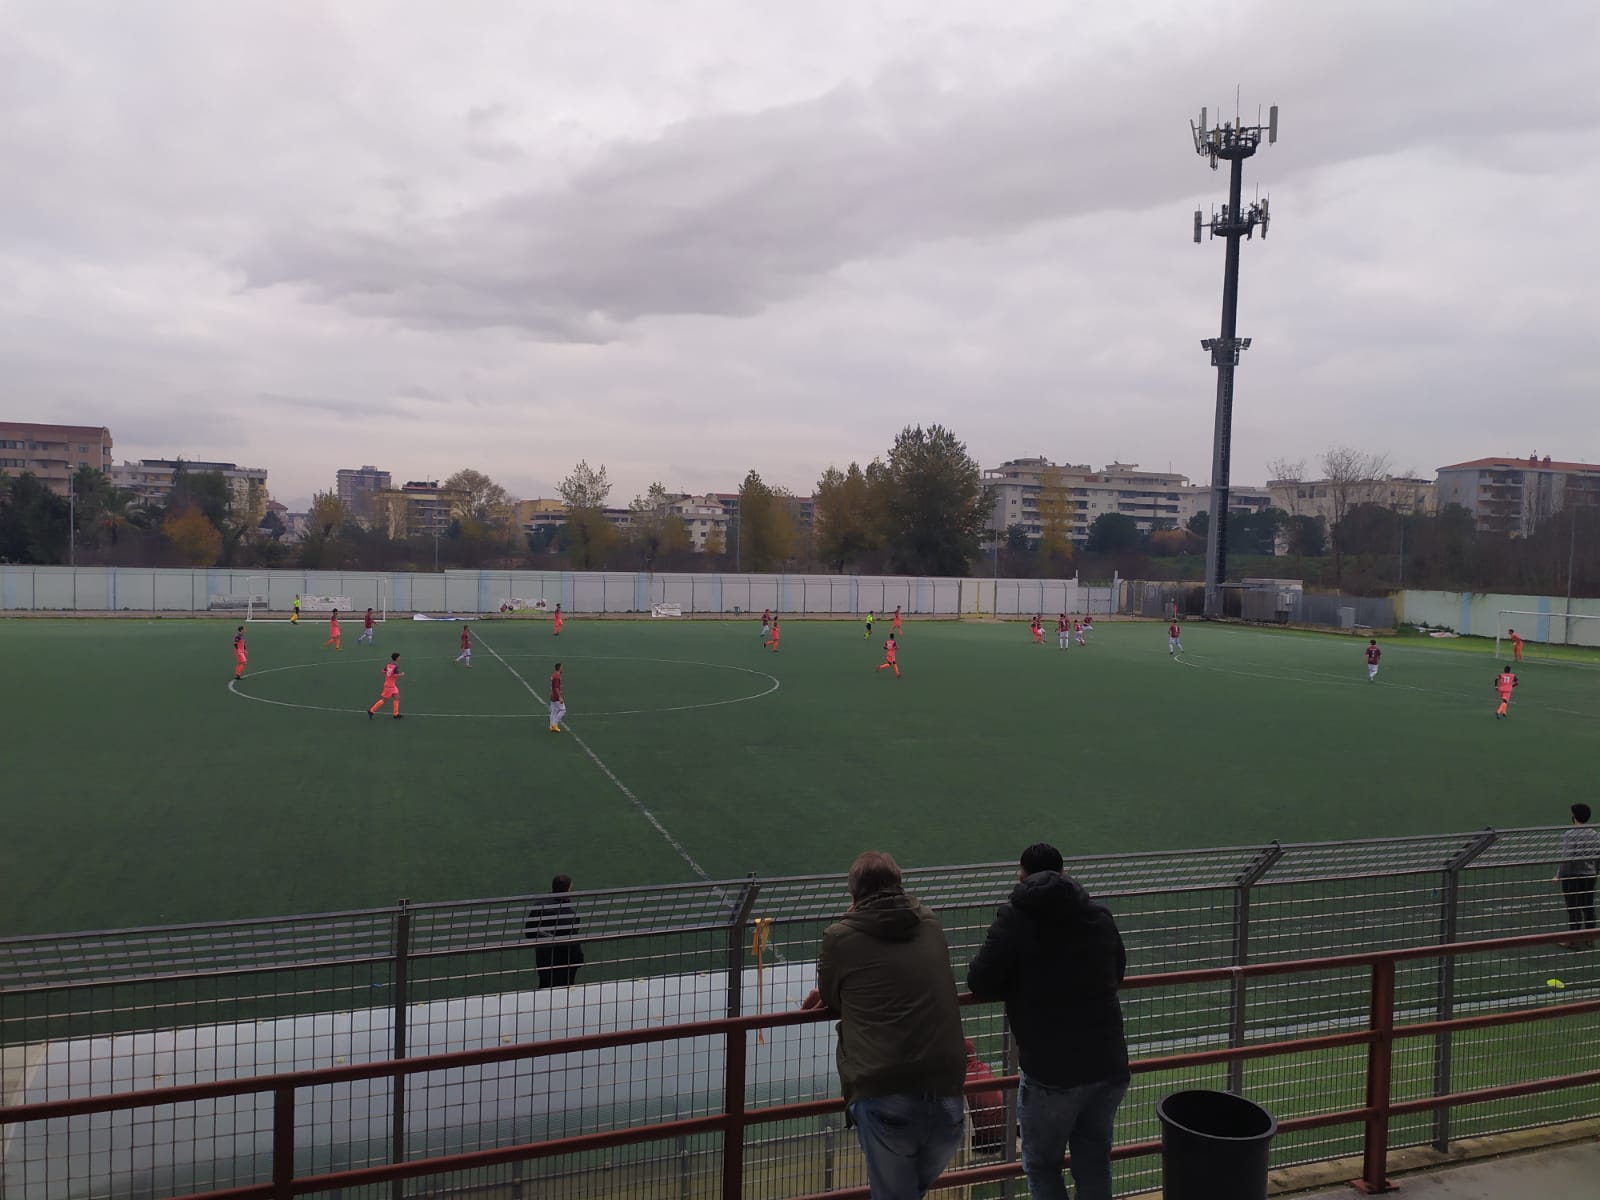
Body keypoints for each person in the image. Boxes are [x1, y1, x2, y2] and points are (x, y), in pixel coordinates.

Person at [967, 843, 1129, 1200]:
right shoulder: (1098, 915)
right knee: (1093, 1161)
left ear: (1022, 875)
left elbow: (979, 983)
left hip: (1051, 1073)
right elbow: (1118, 970)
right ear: (1064, 873)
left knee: (1042, 1166)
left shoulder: (1014, 921)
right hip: (1108, 1064)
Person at [800, 852, 966, 1200]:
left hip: (885, 1095)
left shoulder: (840, 937)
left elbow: (833, 996)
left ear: (854, 894)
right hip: (948, 1096)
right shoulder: (931, 924)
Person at [525, 873, 585, 987]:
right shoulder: (569, 915)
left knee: (545, 987)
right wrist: (579, 960)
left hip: (544, 960)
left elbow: (529, 932)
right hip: (564, 964)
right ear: (567, 890)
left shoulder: (539, 906)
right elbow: (572, 944)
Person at [1555, 803, 1599, 948]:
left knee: (1573, 908)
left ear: (1574, 816)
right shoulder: (1594, 834)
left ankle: (1572, 939)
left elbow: (1566, 858)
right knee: (1588, 906)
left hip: (1572, 876)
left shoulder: (1570, 834)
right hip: (1589, 875)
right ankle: (1590, 937)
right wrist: (1596, 872)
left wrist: (1559, 875)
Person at [368, 652, 403, 719]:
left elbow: (383, 671)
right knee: (384, 700)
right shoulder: (396, 666)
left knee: (397, 697)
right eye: (399, 657)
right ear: (397, 658)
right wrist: (401, 675)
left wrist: (388, 674)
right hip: (389, 686)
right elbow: (395, 675)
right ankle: (371, 711)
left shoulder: (388, 665)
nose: (400, 658)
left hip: (391, 685)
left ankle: (396, 714)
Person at [548, 662, 565, 732]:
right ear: (559, 668)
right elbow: (556, 688)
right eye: (562, 667)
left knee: (553, 711)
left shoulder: (554, 675)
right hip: (556, 696)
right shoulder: (557, 676)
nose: (562, 669)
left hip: (552, 695)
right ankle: (554, 724)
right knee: (563, 710)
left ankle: (551, 726)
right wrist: (560, 697)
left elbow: (553, 684)